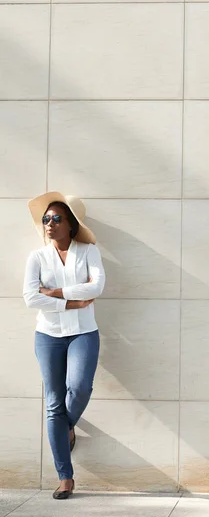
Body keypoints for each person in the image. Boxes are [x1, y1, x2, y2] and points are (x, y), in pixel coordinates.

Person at [23, 192, 106, 500]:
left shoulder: (88, 251)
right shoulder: (37, 257)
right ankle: (65, 477)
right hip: (47, 335)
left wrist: (55, 292)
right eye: (46, 219)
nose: (50, 224)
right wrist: (70, 303)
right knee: (54, 403)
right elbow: (31, 297)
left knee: (80, 387)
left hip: (85, 332)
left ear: (71, 225)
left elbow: (96, 287)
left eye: (57, 219)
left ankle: (66, 428)